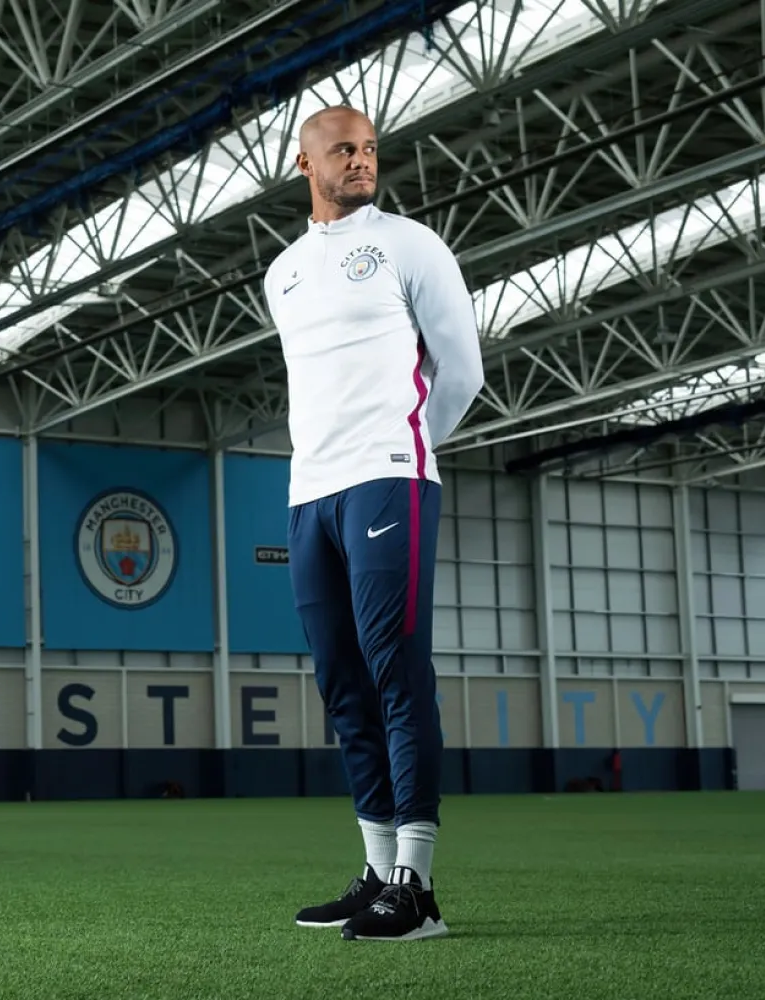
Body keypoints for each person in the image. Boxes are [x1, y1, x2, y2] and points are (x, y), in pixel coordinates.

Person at [261, 105, 484, 942]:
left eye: (369, 149)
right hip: (309, 491)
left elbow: (462, 370)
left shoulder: (411, 245)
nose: (361, 161)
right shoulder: (281, 273)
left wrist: (406, 448)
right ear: (304, 164)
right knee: (341, 682)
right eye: (343, 150)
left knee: (396, 671)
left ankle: (416, 887)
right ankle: (374, 870)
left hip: (389, 479)